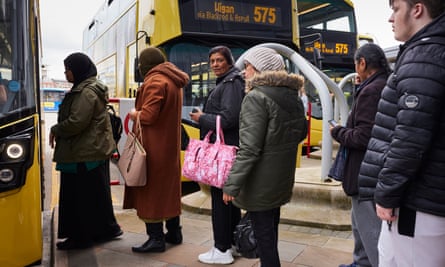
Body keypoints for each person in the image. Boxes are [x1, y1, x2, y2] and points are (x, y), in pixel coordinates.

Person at [358, 0, 445, 266]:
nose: (390, 18)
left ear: (417, 9)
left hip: (416, 204)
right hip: (419, 200)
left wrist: (387, 193)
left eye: (396, 9)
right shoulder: (426, 51)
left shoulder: (424, 55)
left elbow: (409, 138)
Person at [222, 47, 307, 267]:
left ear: (260, 70)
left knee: (265, 240)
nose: (244, 71)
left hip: (260, 181)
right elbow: (301, 133)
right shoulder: (293, 96)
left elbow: (249, 149)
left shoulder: (256, 98)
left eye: (249, 66)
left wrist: (232, 185)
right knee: (270, 232)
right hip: (280, 178)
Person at [50, 52, 122, 250]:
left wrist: (56, 129)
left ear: (78, 69)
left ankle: (80, 237)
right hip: (90, 150)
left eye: (68, 69)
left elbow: (77, 122)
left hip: (83, 152)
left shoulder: (86, 92)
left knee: (78, 197)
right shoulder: (88, 88)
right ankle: (105, 230)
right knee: (95, 195)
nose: (66, 73)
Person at [330, 43, 391, 267]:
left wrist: (337, 132)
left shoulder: (372, 90)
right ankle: (360, 263)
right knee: (360, 225)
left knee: (370, 230)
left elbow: (363, 136)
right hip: (375, 169)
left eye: (356, 64)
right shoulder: (383, 84)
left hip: (365, 172)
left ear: (362, 63)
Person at [124, 47, 189, 253]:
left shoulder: (155, 81)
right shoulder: (173, 80)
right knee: (168, 191)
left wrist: (134, 114)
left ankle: (156, 239)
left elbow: (149, 116)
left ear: (145, 65)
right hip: (169, 146)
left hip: (153, 147)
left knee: (150, 192)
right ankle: (174, 233)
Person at [189, 45, 245, 264]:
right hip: (229, 150)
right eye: (212, 61)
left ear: (229, 61)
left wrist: (202, 118)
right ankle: (231, 243)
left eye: (219, 60)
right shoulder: (230, 81)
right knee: (228, 200)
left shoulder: (231, 83)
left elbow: (229, 119)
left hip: (223, 152)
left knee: (220, 200)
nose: (215, 64)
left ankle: (221, 249)